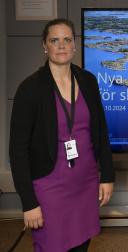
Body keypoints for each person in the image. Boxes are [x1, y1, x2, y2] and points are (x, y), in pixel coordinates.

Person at [9, 18, 114, 252]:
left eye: (67, 40)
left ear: (74, 45)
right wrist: (29, 202)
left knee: (81, 245)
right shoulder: (30, 88)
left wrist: (107, 175)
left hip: (86, 183)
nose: (62, 45)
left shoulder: (88, 81)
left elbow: (100, 131)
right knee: (51, 245)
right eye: (54, 40)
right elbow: (17, 150)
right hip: (49, 187)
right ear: (44, 46)